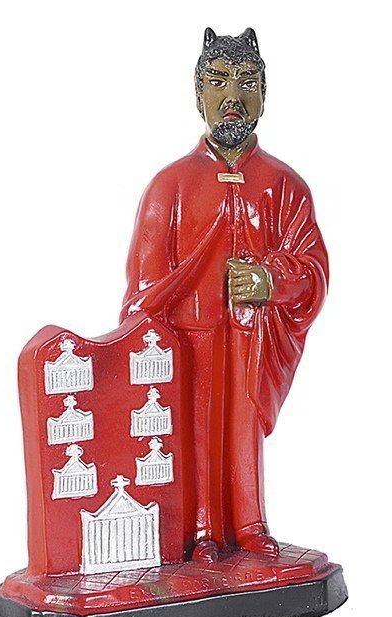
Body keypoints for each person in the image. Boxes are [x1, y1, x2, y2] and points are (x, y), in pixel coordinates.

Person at [121, 28, 329, 563]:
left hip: (252, 338)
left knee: (242, 433)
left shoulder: (284, 186)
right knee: (196, 435)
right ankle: (201, 531)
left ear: (264, 94)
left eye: (247, 82)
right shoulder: (169, 186)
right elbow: (144, 286)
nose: (232, 95)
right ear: (198, 95)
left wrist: (271, 281)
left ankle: (250, 525)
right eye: (218, 81)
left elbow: (313, 270)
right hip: (190, 339)